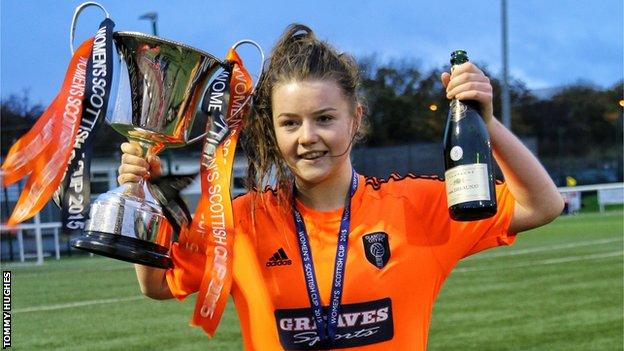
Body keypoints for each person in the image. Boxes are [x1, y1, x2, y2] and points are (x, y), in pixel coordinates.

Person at [118, 23, 564, 351]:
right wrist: (138, 194)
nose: (307, 137)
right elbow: (157, 284)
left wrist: (486, 124)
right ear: (272, 132)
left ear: (356, 119)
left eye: (325, 118)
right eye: (290, 123)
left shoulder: (415, 206)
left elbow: (542, 205)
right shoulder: (241, 219)